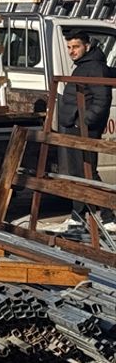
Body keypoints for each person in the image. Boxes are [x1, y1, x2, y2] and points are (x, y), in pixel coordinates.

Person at [56, 31, 113, 231]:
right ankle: (78, 215)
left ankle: (108, 216)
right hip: (75, 125)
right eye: (69, 47)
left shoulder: (95, 67)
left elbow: (102, 100)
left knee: (88, 171)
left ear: (87, 46)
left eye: (76, 47)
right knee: (78, 173)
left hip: (85, 128)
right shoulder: (83, 66)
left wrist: (85, 122)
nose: (71, 51)